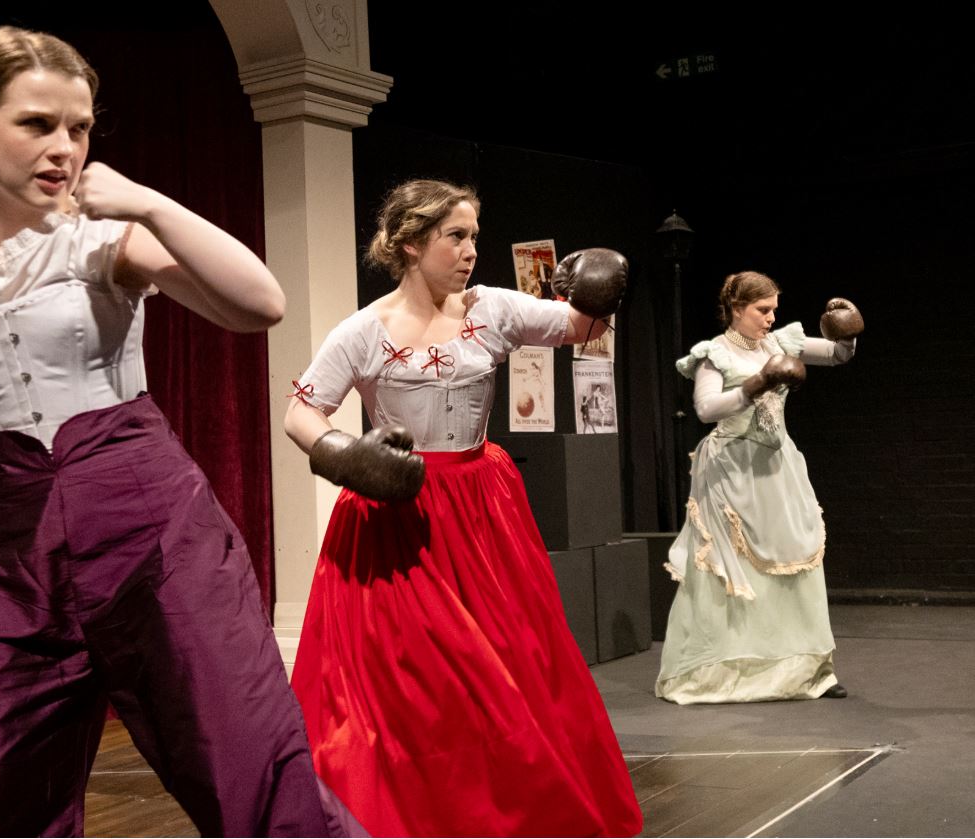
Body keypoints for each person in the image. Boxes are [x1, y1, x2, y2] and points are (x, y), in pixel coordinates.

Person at [0, 26, 359, 837]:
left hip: (150, 529)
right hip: (13, 546)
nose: (64, 148)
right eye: (36, 124)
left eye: (79, 128)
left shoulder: (100, 236)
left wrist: (149, 203)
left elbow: (260, 303)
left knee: (249, 774)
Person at [283, 179, 642, 836]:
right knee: (410, 675)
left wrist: (596, 296)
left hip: (481, 509)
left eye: (474, 235)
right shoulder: (362, 330)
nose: (471, 250)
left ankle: (504, 811)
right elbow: (301, 411)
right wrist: (343, 454)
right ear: (410, 243)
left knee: (507, 660)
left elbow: (579, 328)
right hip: (398, 508)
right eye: (456, 236)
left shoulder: (494, 308)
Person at [656, 271, 863, 704]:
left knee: (795, 560)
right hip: (732, 470)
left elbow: (838, 355)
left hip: (777, 466)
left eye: (774, 310)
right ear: (737, 309)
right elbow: (706, 409)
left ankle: (807, 669)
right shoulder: (715, 354)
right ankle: (729, 669)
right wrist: (757, 384)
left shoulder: (780, 343)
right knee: (732, 569)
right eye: (762, 310)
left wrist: (847, 333)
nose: (771, 318)